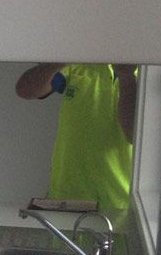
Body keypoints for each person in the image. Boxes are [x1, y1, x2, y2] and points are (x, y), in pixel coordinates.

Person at [15, 63, 137, 218]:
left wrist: (127, 77)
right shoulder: (79, 65)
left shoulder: (147, 72)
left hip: (118, 204)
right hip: (66, 200)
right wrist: (66, 55)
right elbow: (25, 90)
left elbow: (133, 134)